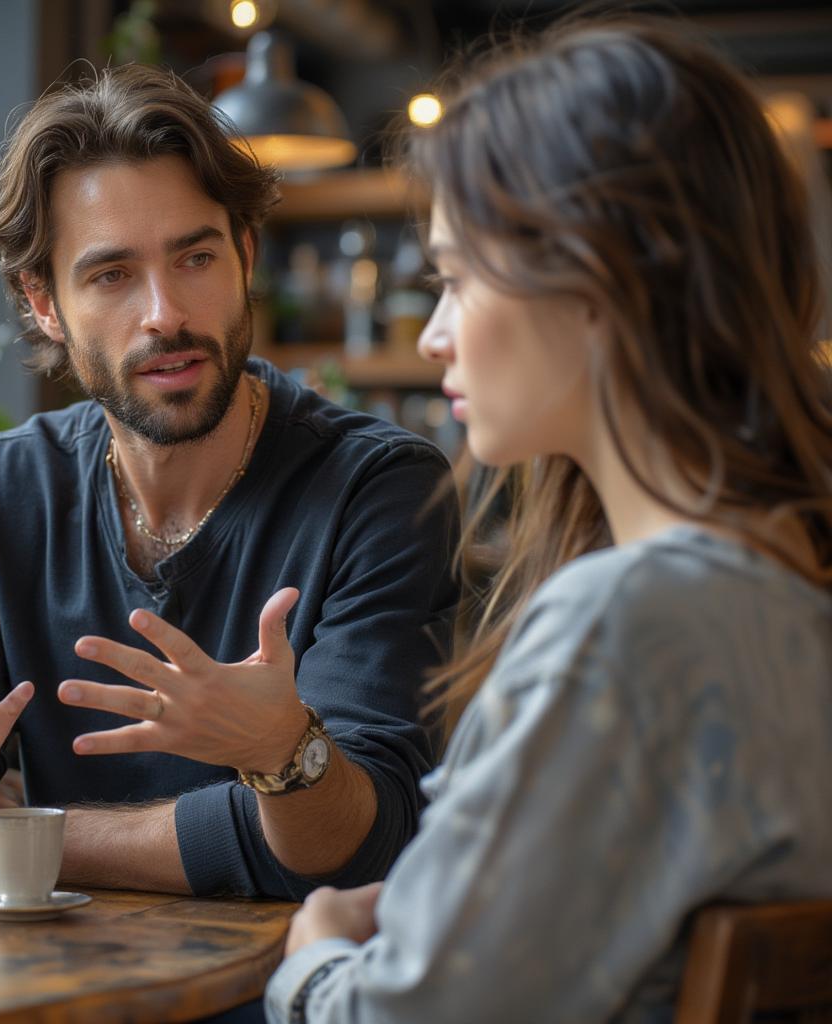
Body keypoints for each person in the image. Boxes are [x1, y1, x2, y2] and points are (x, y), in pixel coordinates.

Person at [265, 16, 832, 1023]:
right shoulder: (786, 594)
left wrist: (311, 958)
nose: (435, 334)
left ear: (593, 278)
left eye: (454, 278)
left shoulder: (627, 626)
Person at [0, 64, 459, 902]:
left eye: (196, 257)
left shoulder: (379, 489)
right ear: (44, 303)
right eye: (111, 275)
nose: (164, 314)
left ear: (245, 256)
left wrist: (282, 752)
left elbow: (353, 844)